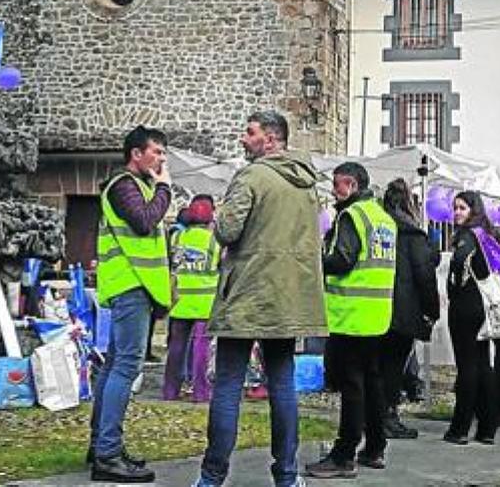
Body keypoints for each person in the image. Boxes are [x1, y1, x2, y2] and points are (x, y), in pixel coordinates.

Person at [192, 111, 326, 487]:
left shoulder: (251, 175)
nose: (242, 138)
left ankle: (211, 477)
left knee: (230, 384)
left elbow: (229, 231)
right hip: (288, 297)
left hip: (249, 293)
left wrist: (219, 215)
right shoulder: (307, 184)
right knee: (282, 385)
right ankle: (287, 475)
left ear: (270, 139)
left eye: (249, 133)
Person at [89, 126, 175, 484]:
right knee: (126, 367)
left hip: (137, 286)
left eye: (162, 154)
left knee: (114, 366)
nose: (160, 160)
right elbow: (144, 221)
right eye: (155, 152)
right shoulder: (124, 185)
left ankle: (102, 445)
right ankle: (107, 453)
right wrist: (166, 188)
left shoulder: (137, 185)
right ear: (136, 154)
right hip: (130, 286)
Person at [308, 163, 398, 478]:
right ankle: (375, 447)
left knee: (352, 386)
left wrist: (315, 260)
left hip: (350, 314)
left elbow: (342, 259)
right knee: (373, 383)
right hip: (377, 314)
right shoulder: (383, 218)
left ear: (350, 184)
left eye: (337, 185)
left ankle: (344, 455)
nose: (334, 191)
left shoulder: (351, 216)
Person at [443, 190, 500, 446]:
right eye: (455, 208)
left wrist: (455, 282)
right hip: (483, 306)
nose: (457, 212)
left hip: (466, 305)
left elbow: (460, 261)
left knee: (467, 367)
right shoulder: (487, 234)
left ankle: (460, 428)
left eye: (462, 208)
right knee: (483, 365)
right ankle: (487, 427)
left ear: (473, 210)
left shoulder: (467, 236)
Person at [379, 179, 441, 441]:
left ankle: (372, 415)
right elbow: (425, 276)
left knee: (375, 366)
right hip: (404, 309)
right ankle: (387, 416)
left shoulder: (378, 229)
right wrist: (432, 311)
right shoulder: (413, 235)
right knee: (393, 367)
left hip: (374, 305)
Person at [163, 196, 220, 403]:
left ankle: (170, 390)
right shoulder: (216, 241)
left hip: (179, 301)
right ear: (211, 217)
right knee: (201, 348)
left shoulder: (176, 238)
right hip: (205, 303)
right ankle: (201, 392)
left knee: (176, 347)